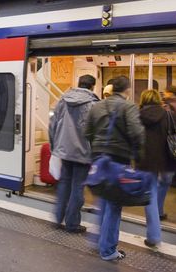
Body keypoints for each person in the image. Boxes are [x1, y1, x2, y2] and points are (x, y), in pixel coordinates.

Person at [85, 75, 145, 261]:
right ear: (127, 90)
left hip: (99, 159)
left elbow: (87, 132)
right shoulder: (129, 106)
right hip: (118, 160)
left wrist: (97, 151)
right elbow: (137, 134)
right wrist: (140, 159)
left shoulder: (96, 106)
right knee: (114, 204)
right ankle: (108, 249)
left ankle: (98, 240)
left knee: (103, 198)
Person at [49, 75, 99, 233]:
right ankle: (72, 224)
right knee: (78, 187)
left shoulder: (63, 100)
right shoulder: (93, 104)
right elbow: (96, 131)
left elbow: (53, 124)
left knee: (64, 184)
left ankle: (58, 218)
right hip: (83, 153)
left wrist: (54, 147)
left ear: (78, 84)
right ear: (92, 86)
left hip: (64, 150)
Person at [137, 89, 173, 248]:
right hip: (165, 160)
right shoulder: (168, 115)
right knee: (161, 185)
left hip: (146, 161)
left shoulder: (138, 116)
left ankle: (153, 236)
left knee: (149, 196)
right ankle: (158, 215)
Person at [159, 85, 176, 220]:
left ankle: (158, 210)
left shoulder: (164, 108)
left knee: (164, 181)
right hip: (172, 147)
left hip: (168, 148)